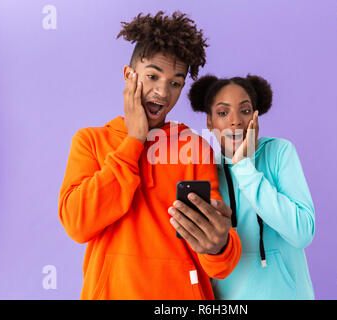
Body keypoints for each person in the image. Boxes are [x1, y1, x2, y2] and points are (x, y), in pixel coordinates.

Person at [58, 11, 241, 300]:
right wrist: (134, 140)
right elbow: (78, 224)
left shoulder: (195, 148)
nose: (162, 92)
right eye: (153, 75)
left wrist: (219, 245)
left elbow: (219, 264)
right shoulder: (90, 141)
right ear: (129, 76)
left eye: (175, 82)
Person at [187, 74, 316, 299]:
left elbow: (302, 233)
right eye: (223, 113)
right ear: (209, 122)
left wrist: (244, 167)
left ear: (256, 117)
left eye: (245, 111)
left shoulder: (279, 152)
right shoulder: (206, 170)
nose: (235, 121)